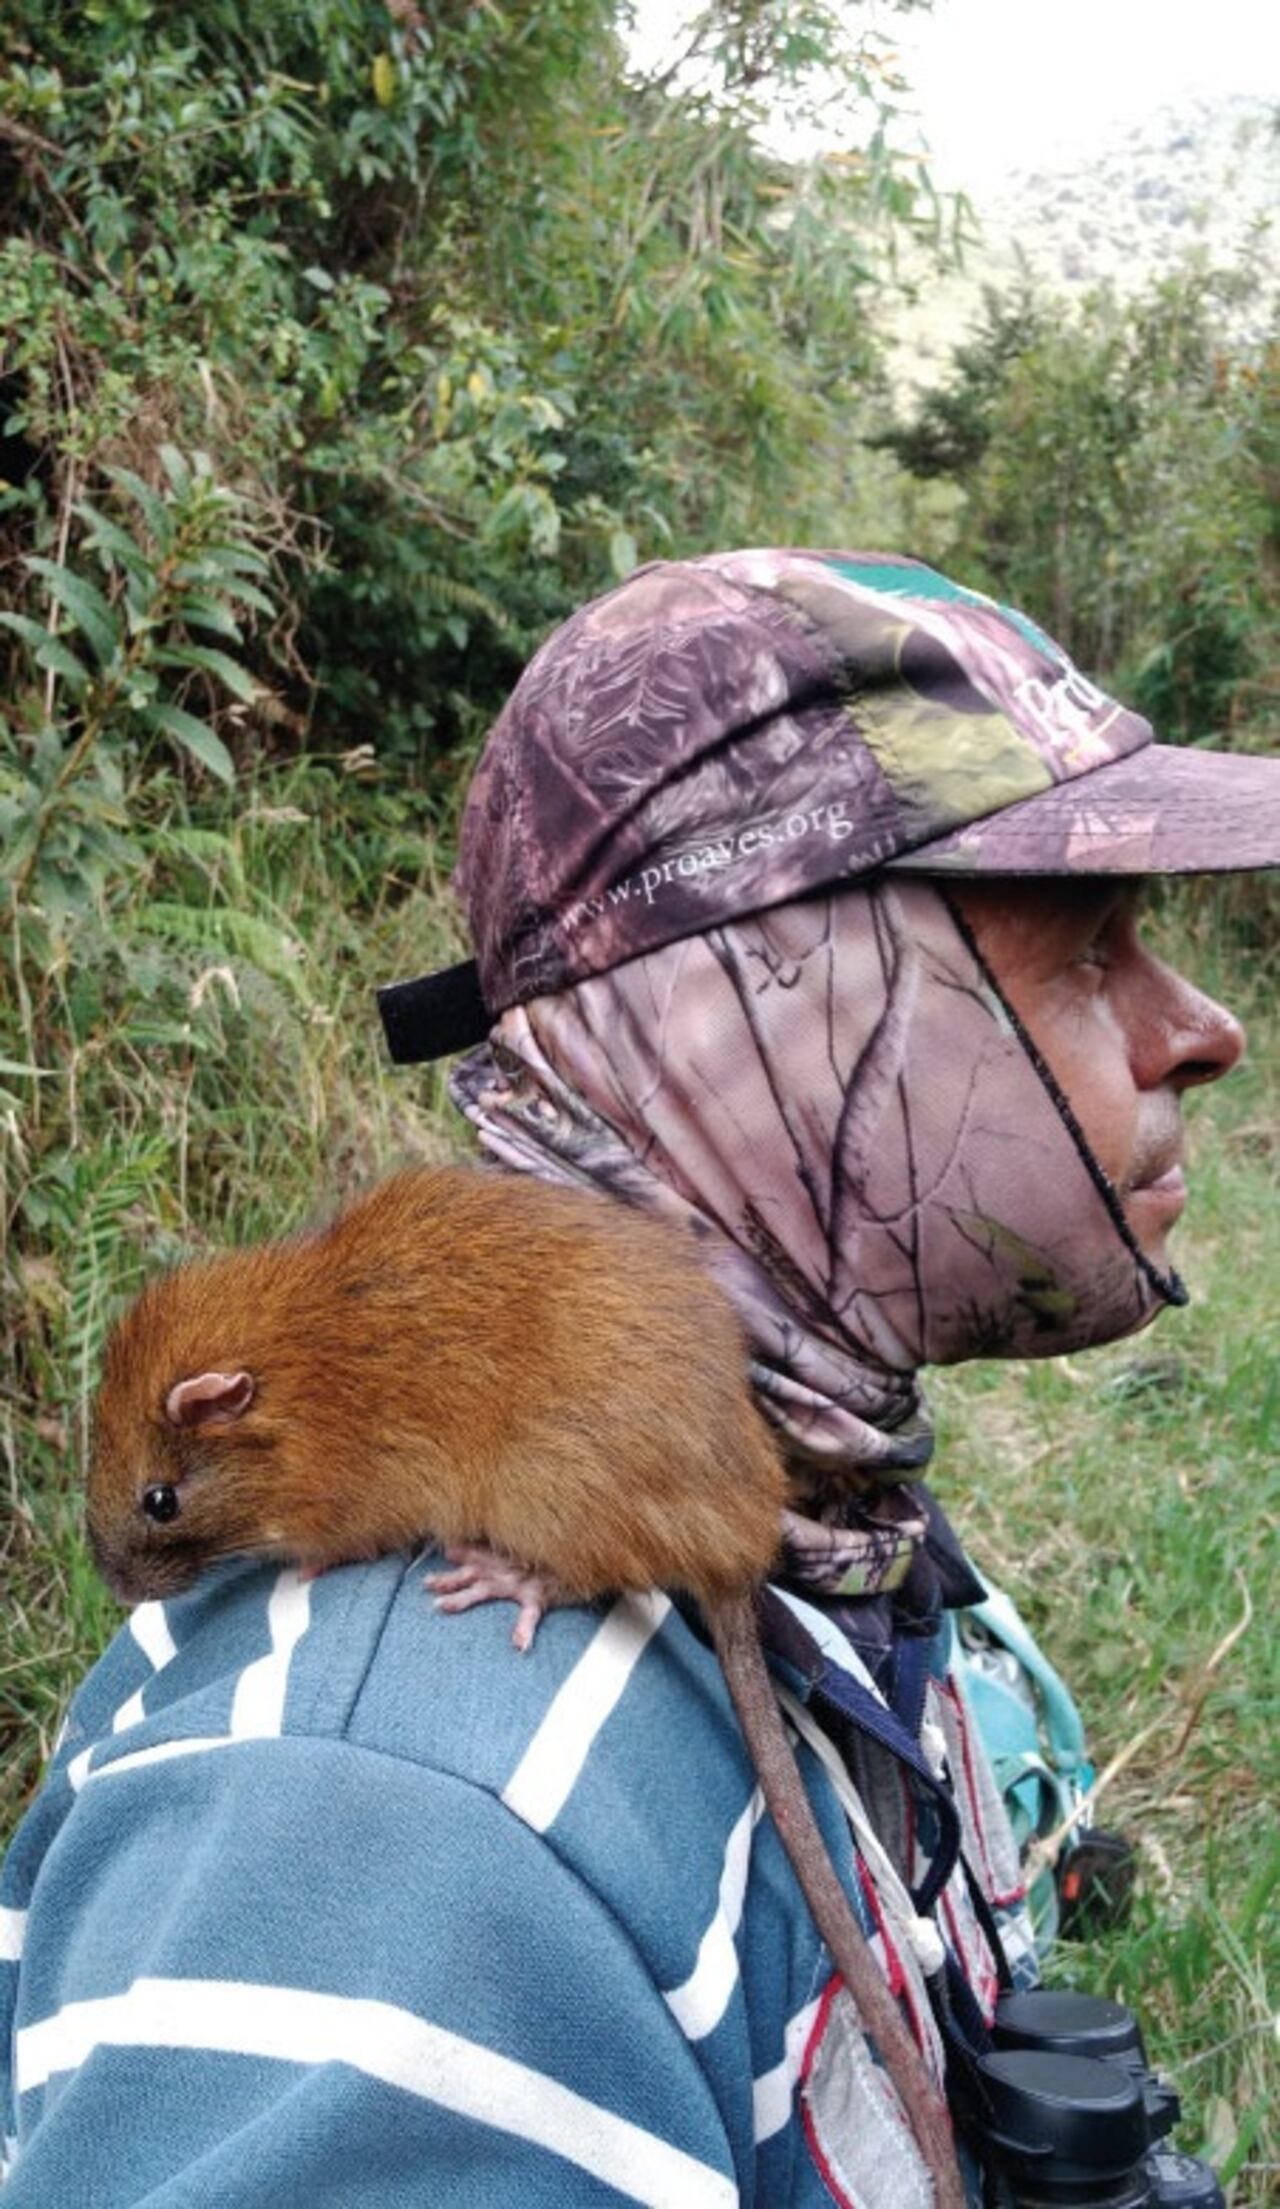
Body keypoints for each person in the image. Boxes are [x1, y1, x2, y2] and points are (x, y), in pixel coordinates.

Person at [1, 549, 1274, 2206]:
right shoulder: (401, 1835)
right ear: (777, 1004)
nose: (1208, 1025)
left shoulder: (836, 1518)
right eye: (1092, 944)